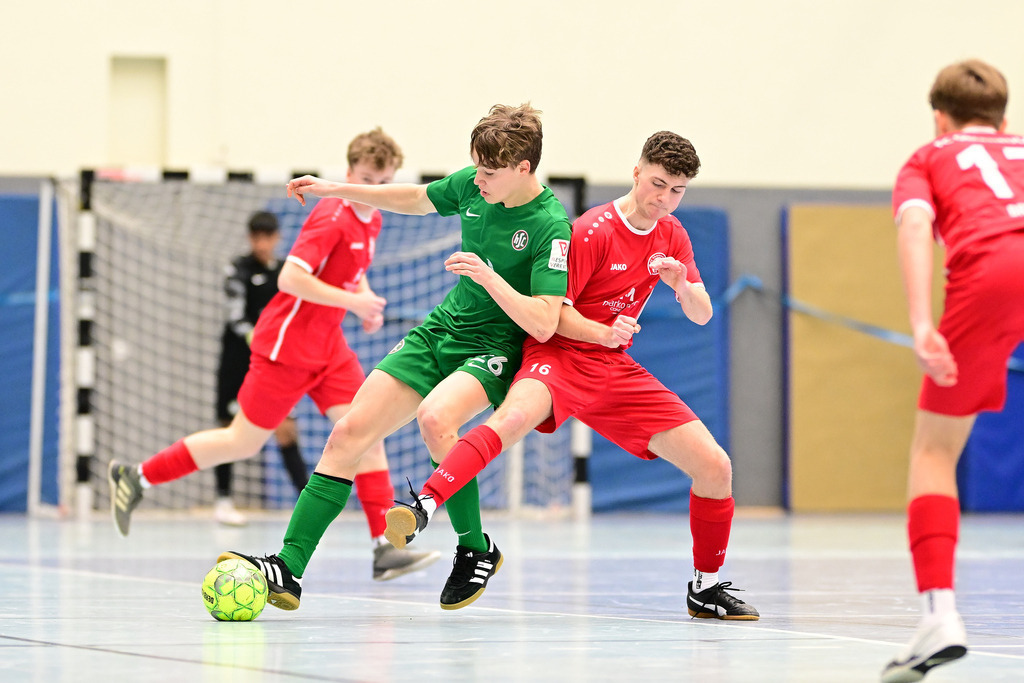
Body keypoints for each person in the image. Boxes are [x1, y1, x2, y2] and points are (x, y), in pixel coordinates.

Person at [386, 131, 760, 620]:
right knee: (512, 420)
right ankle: (426, 504)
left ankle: (705, 588)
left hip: (614, 366)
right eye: (657, 183)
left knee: (715, 467)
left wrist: (680, 285)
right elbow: (553, 316)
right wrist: (602, 332)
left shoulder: (673, 235)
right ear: (636, 172)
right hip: (558, 355)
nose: (663, 199)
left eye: (676, 191)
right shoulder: (591, 230)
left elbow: (703, 314)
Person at [218, 103, 572, 611]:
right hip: (443, 329)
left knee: (436, 420)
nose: (479, 180)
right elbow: (413, 197)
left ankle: (475, 548)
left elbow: (543, 321)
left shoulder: (549, 225)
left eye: (490, 173)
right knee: (347, 435)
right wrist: (336, 189)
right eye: (476, 168)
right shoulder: (477, 182)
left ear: (524, 169)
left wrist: (488, 276)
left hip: (496, 345)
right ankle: (288, 568)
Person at [108, 128, 441, 582]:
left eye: (383, 181)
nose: (374, 190)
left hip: (328, 348)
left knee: (367, 432)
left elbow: (351, 276)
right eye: (366, 178)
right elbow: (290, 278)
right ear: (348, 174)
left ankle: (384, 547)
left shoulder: (374, 218)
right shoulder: (332, 218)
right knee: (241, 441)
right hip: (286, 347)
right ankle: (136, 478)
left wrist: (365, 300)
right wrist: (352, 303)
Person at [881, 59, 1024, 682]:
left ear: (941, 118)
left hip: (992, 270)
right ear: (1004, 117)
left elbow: (916, 226)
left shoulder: (930, 155)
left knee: (935, 451)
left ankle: (939, 614)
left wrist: (920, 323)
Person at [212, 210, 309, 526]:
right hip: (238, 360)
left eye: (268, 237)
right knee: (228, 426)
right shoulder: (237, 269)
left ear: (277, 237)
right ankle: (223, 500)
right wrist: (258, 337)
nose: (262, 243)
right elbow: (235, 314)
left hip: (275, 363)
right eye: (256, 237)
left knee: (286, 429)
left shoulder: (285, 272)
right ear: (249, 238)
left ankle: (306, 503)